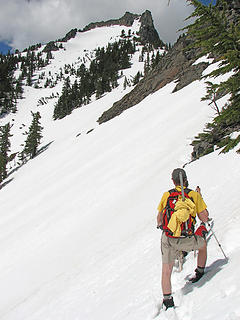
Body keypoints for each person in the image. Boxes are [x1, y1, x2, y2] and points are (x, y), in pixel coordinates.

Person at [157, 168, 209, 310]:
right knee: (202, 245)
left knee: (166, 270)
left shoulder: (167, 195)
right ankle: (199, 271)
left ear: (173, 181)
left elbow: (160, 219)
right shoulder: (193, 195)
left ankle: (167, 300)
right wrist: (200, 197)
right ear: (186, 179)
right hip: (187, 238)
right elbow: (204, 217)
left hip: (169, 239)